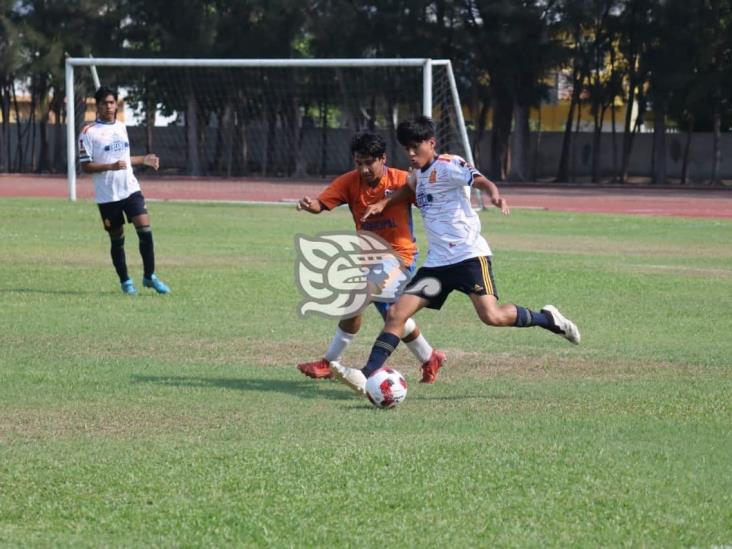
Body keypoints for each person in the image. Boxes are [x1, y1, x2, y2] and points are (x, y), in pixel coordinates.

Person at [331, 116, 580, 395]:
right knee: (397, 314)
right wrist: (383, 204)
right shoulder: (417, 176)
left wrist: (495, 195)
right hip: (437, 264)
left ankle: (548, 319)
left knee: (492, 316)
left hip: (469, 257)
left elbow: (480, 179)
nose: (411, 154)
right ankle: (365, 376)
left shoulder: (449, 165)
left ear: (431, 143)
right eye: (407, 149)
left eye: (416, 147)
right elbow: (406, 191)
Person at [296, 131, 445, 383]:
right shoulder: (348, 182)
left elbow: (432, 201)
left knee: (358, 296)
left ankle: (329, 362)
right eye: (358, 163)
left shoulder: (401, 180)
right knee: (393, 316)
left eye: (369, 162)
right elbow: (321, 205)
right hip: (370, 260)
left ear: (383, 159)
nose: (363, 169)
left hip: (401, 257)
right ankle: (430, 357)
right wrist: (311, 205)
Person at [79, 86, 170, 295]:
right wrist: (110, 167)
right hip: (107, 196)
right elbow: (85, 166)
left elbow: (124, 160)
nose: (109, 106)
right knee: (117, 240)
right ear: (98, 105)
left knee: (145, 232)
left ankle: (150, 276)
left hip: (130, 189)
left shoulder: (121, 127)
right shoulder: (88, 133)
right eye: (105, 103)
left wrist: (143, 159)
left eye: (112, 103)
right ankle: (126, 282)